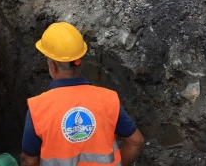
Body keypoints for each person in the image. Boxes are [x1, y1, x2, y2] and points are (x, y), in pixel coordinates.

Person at [21, 22, 145, 166]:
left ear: (53, 66)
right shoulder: (108, 100)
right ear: (79, 62)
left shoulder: (38, 109)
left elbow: (29, 161)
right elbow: (136, 142)